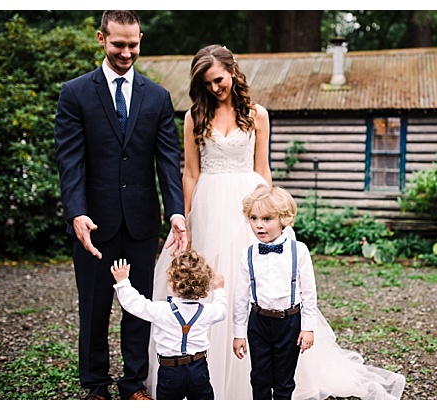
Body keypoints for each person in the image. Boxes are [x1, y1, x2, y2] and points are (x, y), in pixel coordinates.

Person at [149, 45, 405, 399]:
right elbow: (190, 173)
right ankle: (206, 374)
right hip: (208, 204)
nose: (215, 88)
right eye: (207, 83)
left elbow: (262, 168)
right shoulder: (195, 116)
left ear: (233, 71)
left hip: (248, 202)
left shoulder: (257, 115)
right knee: (205, 282)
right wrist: (188, 219)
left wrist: (271, 212)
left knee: (256, 280)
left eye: (219, 80)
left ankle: (260, 374)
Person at [54, 10, 188, 400]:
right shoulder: (75, 93)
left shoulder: (158, 96)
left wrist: (175, 211)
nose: (127, 52)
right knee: (94, 310)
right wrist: (76, 212)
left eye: (133, 44)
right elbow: (70, 160)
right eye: (118, 44)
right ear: (101, 38)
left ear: (141, 39)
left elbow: (167, 160)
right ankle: (95, 385)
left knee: (140, 309)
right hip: (93, 223)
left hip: (142, 223)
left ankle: (134, 385)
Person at [230, 185, 315, 399]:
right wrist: (239, 333)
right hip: (258, 322)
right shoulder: (247, 255)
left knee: (284, 381)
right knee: (259, 378)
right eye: (254, 218)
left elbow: (309, 294)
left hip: (289, 322)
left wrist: (308, 328)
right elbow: (240, 297)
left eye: (267, 219)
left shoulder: (299, 251)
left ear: (283, 219)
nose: (259, 225)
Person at [111, 250, 226, 400]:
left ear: (171, 284)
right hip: (198, 368)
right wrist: (219, 290)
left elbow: (136, 304)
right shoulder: (207, 311)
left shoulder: (161, 310)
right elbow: (222, 310)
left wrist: (123, 282)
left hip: (170, 370)